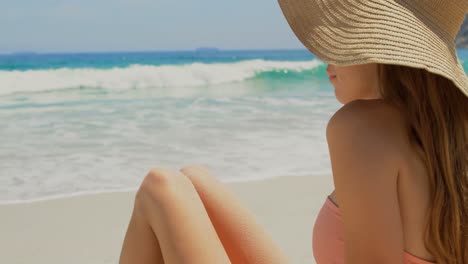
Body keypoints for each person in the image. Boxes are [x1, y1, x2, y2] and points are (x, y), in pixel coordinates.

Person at [118, 0, 468, 263]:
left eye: (342, 36)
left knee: (160, 188)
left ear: (381, 49)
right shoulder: (447, 136)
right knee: (194, 180)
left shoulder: (362, 127)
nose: (324, 54)